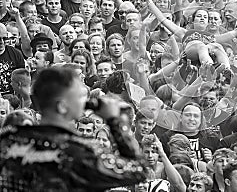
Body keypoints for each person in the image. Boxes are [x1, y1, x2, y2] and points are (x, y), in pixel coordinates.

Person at [0, 67, 147, 190]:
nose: (87, 101)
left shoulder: (7, 139)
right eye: (80, 96)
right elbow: (139, 171)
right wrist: (116, 121)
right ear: (62, 106)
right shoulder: (79, 152)